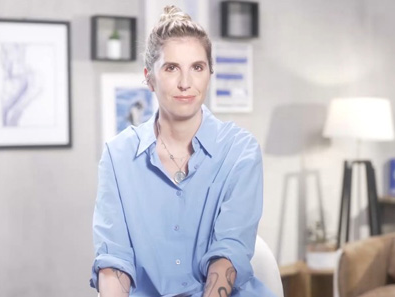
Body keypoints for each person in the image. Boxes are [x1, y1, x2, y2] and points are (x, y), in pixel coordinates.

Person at [90, 6, 275, 297]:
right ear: (149, 78)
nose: (185, 83)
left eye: (197, 67)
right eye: (171, 67)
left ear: (209, 74)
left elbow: (228, 252)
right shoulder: (117, 156)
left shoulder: (240, 151)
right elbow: (114, 261)